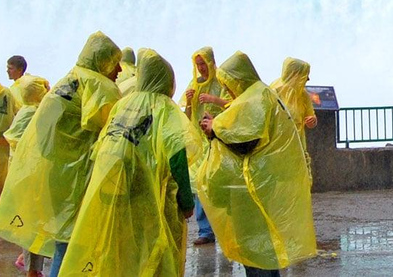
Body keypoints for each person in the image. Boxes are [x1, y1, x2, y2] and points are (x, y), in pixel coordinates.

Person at [58, 50, 196, 276]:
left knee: (123, 254)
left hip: (115, 191)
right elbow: (177, 158)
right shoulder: (165, 108)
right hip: (149, 193)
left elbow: (102, 146)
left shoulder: (123, 105)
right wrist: (186, 200)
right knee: (156, 253)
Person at [0, 32, 122, 277]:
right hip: (79, 178)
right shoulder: (99, 87)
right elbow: (112, 139)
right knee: (78, 245)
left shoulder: (66, 81)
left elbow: (43, 131)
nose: (119, 69)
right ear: (102, 60)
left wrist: (59, 162)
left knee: (62, 241)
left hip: (55, 175)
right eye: (114, 61)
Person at [197, 51, 316, 276]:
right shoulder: (259, 94)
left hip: (254, 187)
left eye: (229, 83)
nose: (228, 89)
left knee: (256, 249)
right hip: (264, 182)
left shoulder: (255, 98)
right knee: (264, 248)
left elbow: (247, 141)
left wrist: (214, 130)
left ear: (237, 79)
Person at [178, 46, 231, 246]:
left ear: (211, 62)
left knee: (218, 184)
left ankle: (224, 229)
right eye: (197, 64)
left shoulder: (223, 81)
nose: (200, 68)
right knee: (199, 183)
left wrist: (213, 100)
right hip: (200, 141)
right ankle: (205, 230)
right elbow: (187, 116)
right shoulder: (195, 84)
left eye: (203, 64)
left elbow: (235, 105)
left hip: (219, 139)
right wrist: (190, 102)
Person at [4, 75, 50, 277]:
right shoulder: (37, 114)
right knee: (35, 222)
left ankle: (28, 262)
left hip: (22, 175)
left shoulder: (24, 111)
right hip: (32, 177)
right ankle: (32, 269)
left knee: (31, 222)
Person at [270, 57, 317, 181]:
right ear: (295, 74)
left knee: (299, 177)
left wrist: (312, 120)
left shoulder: (303, 95)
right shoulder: (275, 91)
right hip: (278, 144)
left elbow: (311, 117)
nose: (308, 79)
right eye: (304, 75)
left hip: (297, 144)